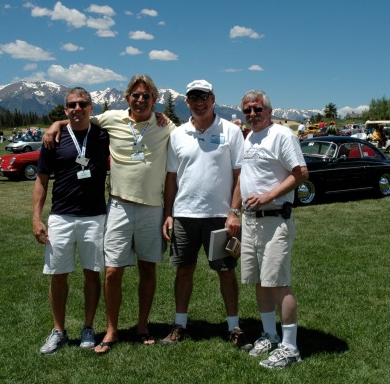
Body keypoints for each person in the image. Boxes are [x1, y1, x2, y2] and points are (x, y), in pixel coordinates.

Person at [43, 74, 175, 355]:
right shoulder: (111, 118)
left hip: (153, 206)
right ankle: (112, 330)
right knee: (112, 271)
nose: (140, 100)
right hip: (118, 205)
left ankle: (142, 326)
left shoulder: (165, 125)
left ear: (155, 99)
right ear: (127, 98)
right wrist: (56, 123)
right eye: (136, 96)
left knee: (147, 268)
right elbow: (78, 120)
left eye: (146, 96)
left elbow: (190, 135)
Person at [161, 80, 251, 350]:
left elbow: (240, 175)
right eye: (193, 98)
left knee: (225, 272)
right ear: (186, 102)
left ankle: (233, 326)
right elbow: (171, 178)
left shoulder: (231, 131)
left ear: (213, 99)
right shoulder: (178, 134)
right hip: (185, 216)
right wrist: (169, 213)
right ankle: (179, 325)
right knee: (184, 271)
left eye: (203, 97)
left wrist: (234, 212)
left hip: (220, 217)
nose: (199, 103)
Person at [33, 87, 110, 355]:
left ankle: (88, 327)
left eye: (83, 104)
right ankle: (58, 330)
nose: (77, 108)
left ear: (91, 107)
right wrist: (36, 217)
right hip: (61, 216)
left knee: (92, 273)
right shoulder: (53, 139)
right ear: (65, 109)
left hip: (94, 217)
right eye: (71, 105)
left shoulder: (102, 135)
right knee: (57, 275)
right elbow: (41, 180)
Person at [239, 90, 308, 369]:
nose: (252, 115)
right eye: (247, 111)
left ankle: (290, 347)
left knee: (279, 282)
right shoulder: (250, 138)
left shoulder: (282, 135)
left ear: (269, 111)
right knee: (260, 281)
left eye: (257, 109)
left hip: (275, 218)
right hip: (251, 221)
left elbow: (301, 173)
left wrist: (268, 196)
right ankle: (269, 334)